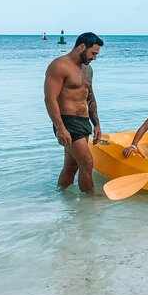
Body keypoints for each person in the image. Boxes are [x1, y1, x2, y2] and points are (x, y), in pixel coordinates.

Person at [43, 32, 104, 193]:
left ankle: (62, 197)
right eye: (93, 53)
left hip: (83, 121)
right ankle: (90, 204)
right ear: (82, 47)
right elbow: (50, 99)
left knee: (71, 166)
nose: (94, 57)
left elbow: (89, 96)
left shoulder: (88, 69)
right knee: (87, 163)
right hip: (67, 121)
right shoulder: (59, 66)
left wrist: (96, 124)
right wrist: (60, 128)